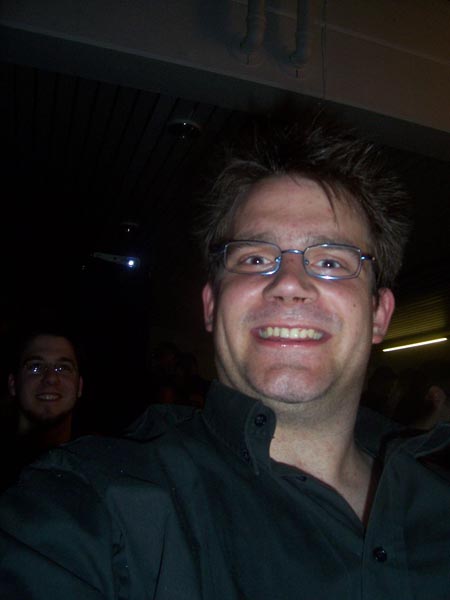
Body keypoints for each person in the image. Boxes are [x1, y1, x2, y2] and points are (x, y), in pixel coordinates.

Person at [1, 117, 450, 599]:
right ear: (212, 306)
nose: (289, 283)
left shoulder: (438, 502)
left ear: (380, 314)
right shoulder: (96, 503)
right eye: (255, 258)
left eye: (330, 261)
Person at [0, 325, 84, 491]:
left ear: (79, 386)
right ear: (13, 384)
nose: (51, 378)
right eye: (35, 367)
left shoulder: (98, 463)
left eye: (63, 368)